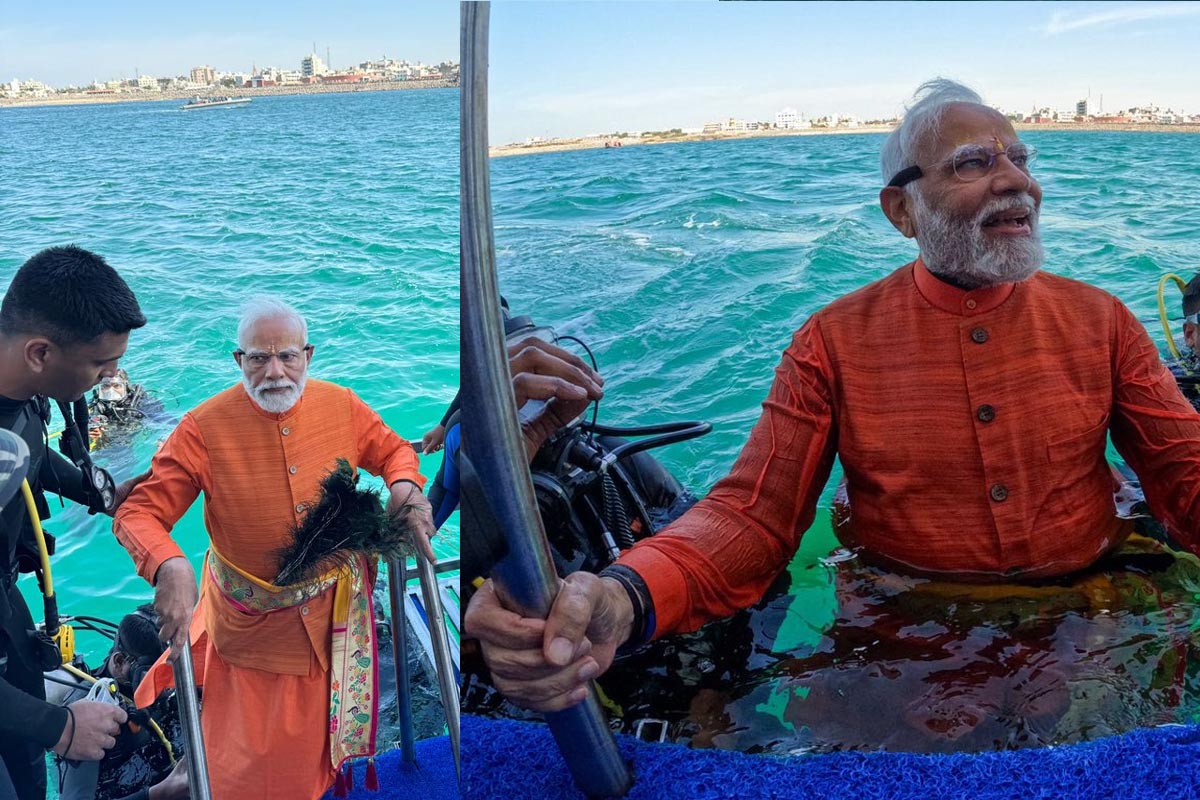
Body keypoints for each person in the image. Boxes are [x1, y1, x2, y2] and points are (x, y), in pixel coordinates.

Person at [464, 78, 1200, 715]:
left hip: (1090, 614)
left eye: (1020, 159)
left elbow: (1183, 472)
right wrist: (623, 596)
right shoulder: (833, 340)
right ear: (902, 212)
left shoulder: (1101, 319)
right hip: (906, 630)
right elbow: (753, 516)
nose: (1016, 181)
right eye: (975, 162)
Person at [113, 296, 436, 800]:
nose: (274, 372)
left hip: (339, 618)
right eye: (258, 358)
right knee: (246, 761)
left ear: (308, 355)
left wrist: (405, 487)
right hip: (251, 632)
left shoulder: (343, 405)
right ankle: (192, 783)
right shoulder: (202, 427)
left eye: (287, 356)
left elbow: (395, 449)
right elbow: (138, 512)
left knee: (319, 747)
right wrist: (169, 565)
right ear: (238, 362)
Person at [0, 246, 147, 800]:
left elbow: (31, 450)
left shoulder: (19, 385)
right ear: (40, 352)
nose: (113, 376)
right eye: (100, 365)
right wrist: (59, 728)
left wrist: (99, 491)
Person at [49, 606, 187, 800]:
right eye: (155, 675)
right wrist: (160, 793)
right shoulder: (89, 718)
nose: (168, 689)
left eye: (174, 673)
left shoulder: (167, 689)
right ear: (120, 662)